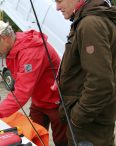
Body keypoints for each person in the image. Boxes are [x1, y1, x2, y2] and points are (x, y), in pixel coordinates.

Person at [0, 20, 68, 146]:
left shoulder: (30, 52)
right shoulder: (14, 48)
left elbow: (21, 93)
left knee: (62, 141)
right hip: (38, 101)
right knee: (33, 136)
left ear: (3, 38)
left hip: (56, 102)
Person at [54, 0, 116, 145]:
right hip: (96, 119)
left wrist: (77, 117)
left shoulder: (90, 24)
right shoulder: (93, 19)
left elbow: (101, 83)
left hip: (90, 125)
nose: (57, 8)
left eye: (59, 1)